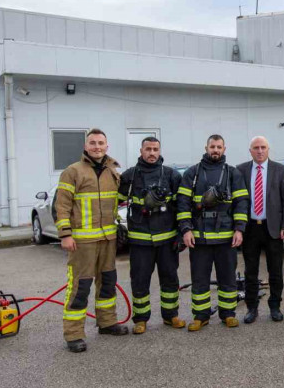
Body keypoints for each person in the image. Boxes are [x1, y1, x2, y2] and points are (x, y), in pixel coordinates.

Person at [55, 128, 128, 353]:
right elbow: (62, 205)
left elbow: (118, 202)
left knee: (107, 282)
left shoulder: (113, 171)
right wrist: (65, 234)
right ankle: (74, 334)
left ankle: (107, 323)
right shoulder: (72, 171)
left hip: (108, 238)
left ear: (107, 146)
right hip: (82, 241)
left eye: (101, 143)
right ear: (86, 146)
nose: (97, 147)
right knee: (80, 286)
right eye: (93, 143)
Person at [178, 135, 249, 331]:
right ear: (206, 147)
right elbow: (183, 204)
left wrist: (239, 229)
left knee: (227, 278)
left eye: (219, 147)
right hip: (199, 238)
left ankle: (228, 314)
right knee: (200, 279)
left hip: (226, 237)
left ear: (224, 148)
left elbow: (241, 203)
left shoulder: (232, 173)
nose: (215, 150)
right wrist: (186, 229)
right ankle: (201, 316)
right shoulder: (192, 173)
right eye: (212, 146)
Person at [118, 137, 185, 334]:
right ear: (141, 151)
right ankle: (141, 319)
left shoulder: (171, 175)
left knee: (170, 279)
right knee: (140, 280)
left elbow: (182, 206)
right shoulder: (130, 176)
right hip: (140, 240)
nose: (152, 153)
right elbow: (114, 201)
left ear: (160, 150)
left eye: (155, 149)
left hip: (167, 240)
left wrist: (181, 234)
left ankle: (170, 315)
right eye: (148, 149)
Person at [236, 136, 284, 323]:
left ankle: (275, 307)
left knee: (275, 271)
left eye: (263, 147)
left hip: (273, 228)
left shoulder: (280, 170)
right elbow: (237, 201)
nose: (260, 151)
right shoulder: (241, 170)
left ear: (268, 149)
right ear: (250, 150)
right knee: (250, 271)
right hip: (250, 228)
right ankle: (252, 308)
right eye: (256, 148)